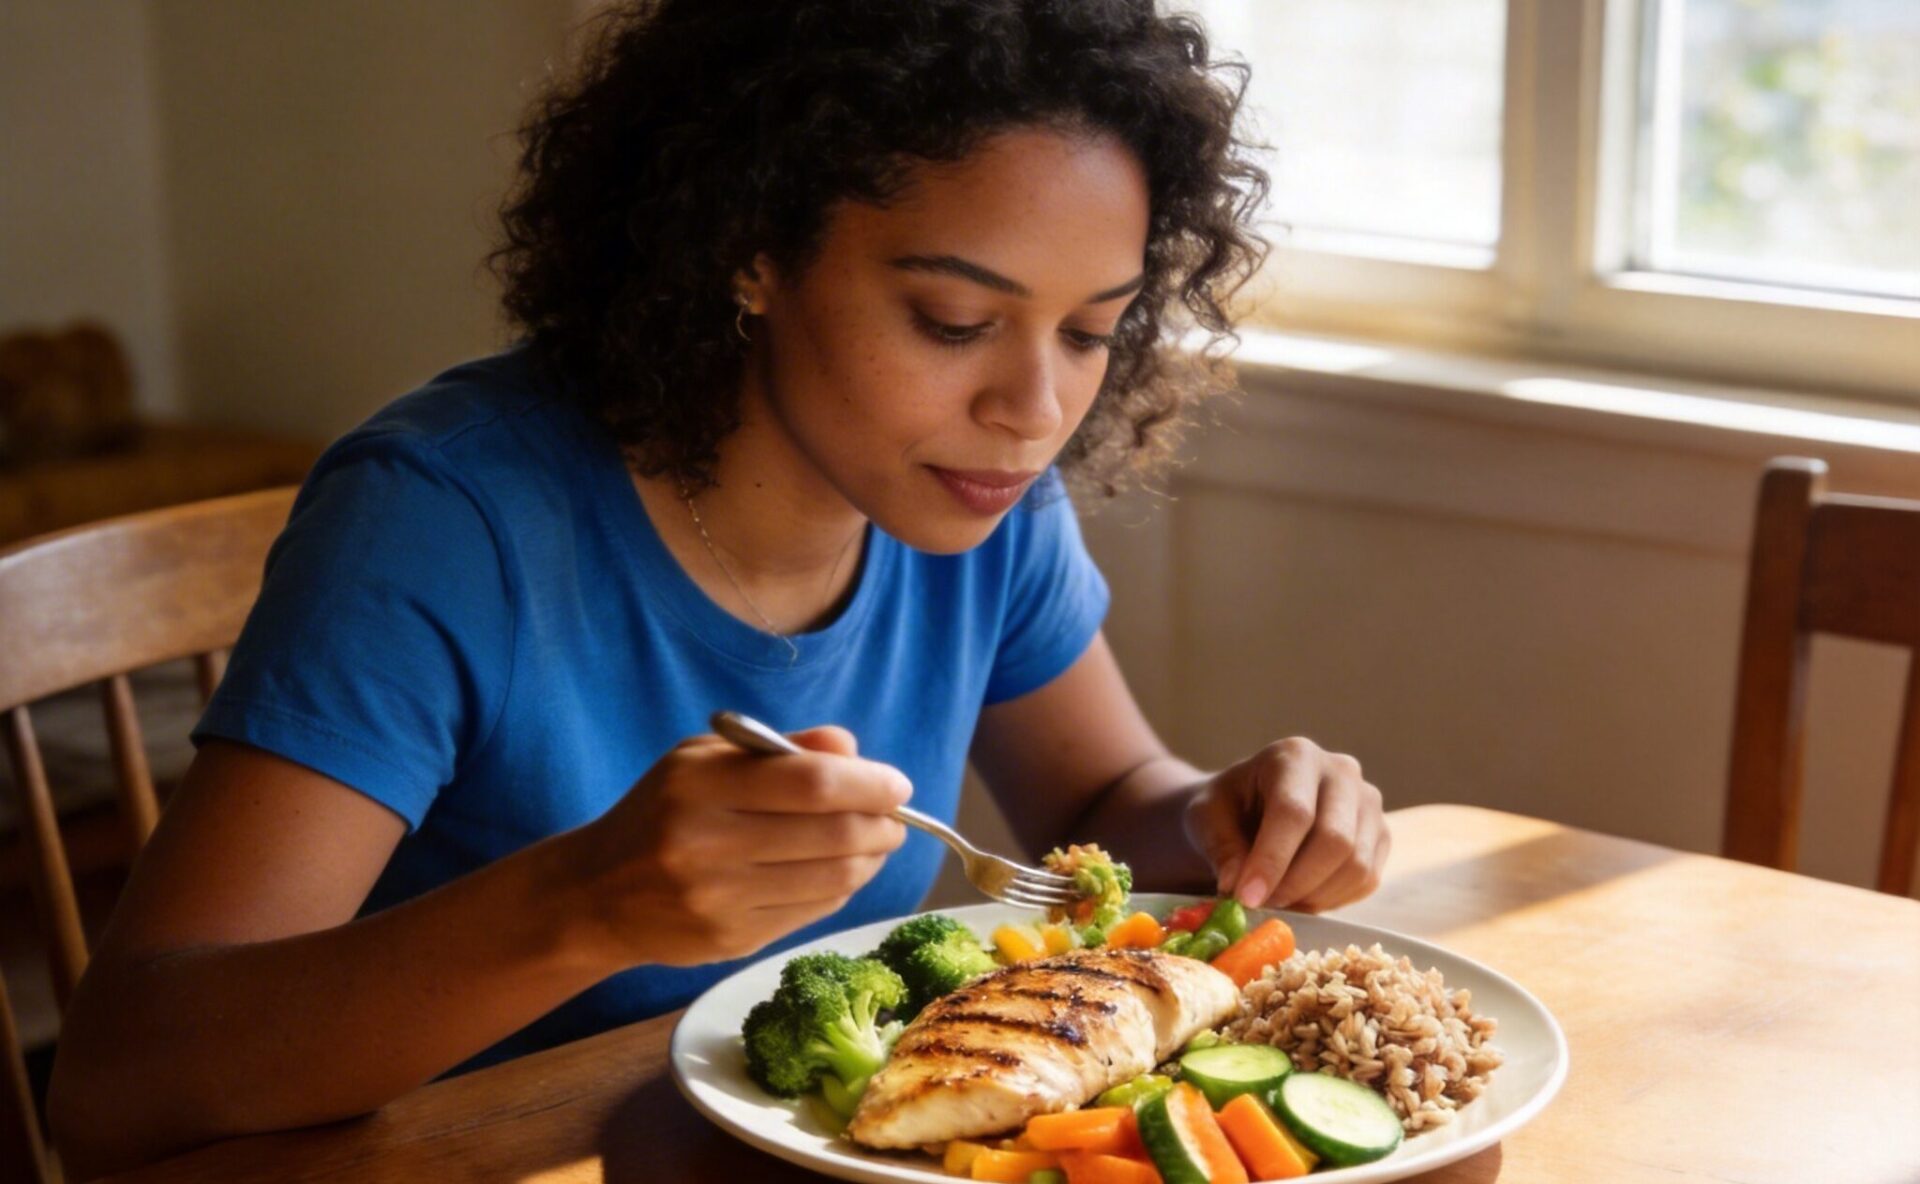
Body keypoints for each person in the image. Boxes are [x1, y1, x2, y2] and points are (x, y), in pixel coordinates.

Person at [48, 1, 1389, 1176]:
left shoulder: (980, 496)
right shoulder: (445, 521)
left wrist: (1222, 816)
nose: (1034, 409)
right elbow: (116, 1089)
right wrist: (584, 903)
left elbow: (1095, 807)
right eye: (956, 322)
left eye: (1092, 329)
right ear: (752, 247)